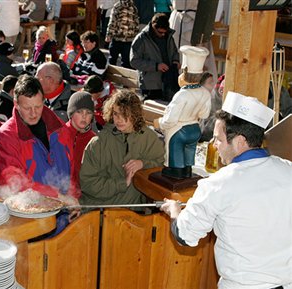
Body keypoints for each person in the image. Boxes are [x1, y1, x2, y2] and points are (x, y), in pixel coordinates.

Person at [160, 92, 292, 289]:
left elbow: (185, 235)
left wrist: (174, 211)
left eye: (218, 140)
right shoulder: (288, 169)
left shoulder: (219, 184)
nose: (215, 146)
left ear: (239, 141)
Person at [0, 74, 76, 235]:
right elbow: (14, 183)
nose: (33, 113)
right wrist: (58, 196)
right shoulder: (7, 136)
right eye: (27, 108)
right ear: (16, 104)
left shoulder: (58, 126)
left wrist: (72, 197)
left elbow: (70, 166)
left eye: (38, 106)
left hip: (64, 213)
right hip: (30, 218)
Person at [80, 90, 165, 207]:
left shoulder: (149, 138)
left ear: (135, 114)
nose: (119, 119)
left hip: (136, 210)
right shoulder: (98, 143)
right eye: (115, 114)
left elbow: (161, 168)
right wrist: (122, 183)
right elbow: (88, 184)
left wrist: (143, 164)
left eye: (125, 114)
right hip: (103, 209)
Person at [153, 45, 211, 179]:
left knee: (175, 153)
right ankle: (187, 170)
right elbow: (204, 115)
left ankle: (176, 172)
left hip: (179, 130)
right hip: (195, 129)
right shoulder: (205, 93)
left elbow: (171, 119)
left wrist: (160, 123)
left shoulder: (182, 95)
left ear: (184, 72)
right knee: (189, 154)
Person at [130, 13, 180, 102]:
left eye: (165, 32)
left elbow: (174, 52)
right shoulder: (141, 38)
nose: (163, 35)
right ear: (153, 26)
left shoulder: (168, 36)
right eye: (160, 32)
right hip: (150, 85)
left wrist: (176, 61)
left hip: (168, 82)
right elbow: (134, 61)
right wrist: (156, 66)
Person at [64, 91, 96, 198]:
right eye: (79, 112)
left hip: (84, 197)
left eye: (88, 113)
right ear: (71, 113)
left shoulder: (94, 140)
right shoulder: (59, 135)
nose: (84, 116)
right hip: (60, 193)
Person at [105, 0, 140, 69]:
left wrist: (109, 35)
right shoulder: (133, 7)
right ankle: (124, 77)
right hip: (127, 38)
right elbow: (136, 23)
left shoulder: (118, 6)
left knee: (113, 59)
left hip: (119, 37)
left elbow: (112, 22)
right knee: (125, 61)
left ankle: (111, 76)